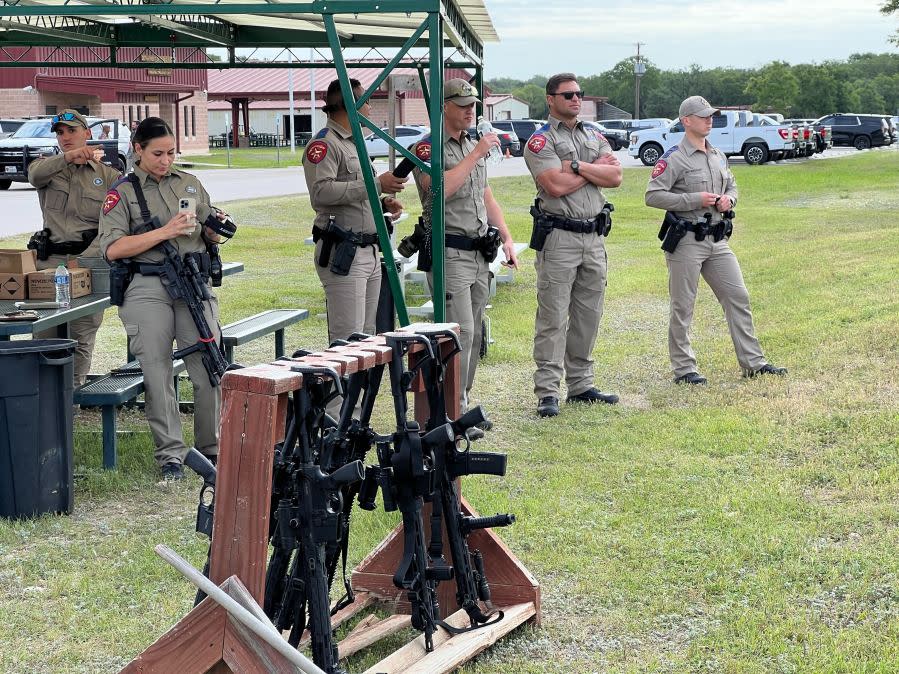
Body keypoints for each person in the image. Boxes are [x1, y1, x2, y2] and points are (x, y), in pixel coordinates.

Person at [99, 117, 234, 480]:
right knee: (157, 372)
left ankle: (212, 449)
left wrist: (215, 229)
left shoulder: (189, 183)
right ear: (138, 149)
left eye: (172, 152)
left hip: (192, 281)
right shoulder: (122, 191)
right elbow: (112, 248)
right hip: (147, 285)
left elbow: (211, 228)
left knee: (208, 368)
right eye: (157, 153)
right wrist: (165, 232)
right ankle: (172, 456)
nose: (165, 160)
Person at [644, 96, 786, 384]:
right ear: (686, 120)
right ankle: (684, 370)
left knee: (738, 297)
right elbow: (653, 196)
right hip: (686, 240)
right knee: (683, 305)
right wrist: (693, 199)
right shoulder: (673, 157)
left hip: (717, 239)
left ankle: (753, 363)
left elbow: (732, 184)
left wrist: (729, 200)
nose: (710, 119)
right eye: (703, 115)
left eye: (711, 115)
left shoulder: (717, 154)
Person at [409, 78, 519, 436]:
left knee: (474, 332)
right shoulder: (427, 148)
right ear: (444, 107)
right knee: (461, 334)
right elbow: (438, 190)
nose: (470, 109)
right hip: (448, 251)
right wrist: (474, 156)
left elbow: (484, 194)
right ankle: (450, 415)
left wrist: (505, 235)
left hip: (477, 251)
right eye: (462, 104)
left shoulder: (472, 142)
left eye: (473, 103)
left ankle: (462, 404)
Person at [524, 73, 622, 419]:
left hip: (594, 237)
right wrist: (594, 169)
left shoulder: (594, 134)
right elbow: (554, 185)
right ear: (550, 99)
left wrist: (577, 166)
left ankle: (581, 385)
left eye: (579, 94)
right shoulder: (539, 140)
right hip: (560, 238)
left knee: (587, 315)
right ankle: (547, 391)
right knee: (553, 315)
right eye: (568, 95)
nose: (576, 100)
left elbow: (616, 177)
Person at [304, 78, 406, 345]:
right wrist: (376, 184)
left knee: (366, 340)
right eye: (366, 101)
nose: (370, 108)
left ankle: (357, 389)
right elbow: (321, 193)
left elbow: (355, 192)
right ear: (351, 105)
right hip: (344, 252)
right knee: (346, 342)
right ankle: (340, 388)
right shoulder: (325, 144)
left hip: (368, 250)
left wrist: (381, 201)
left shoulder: (354, 143)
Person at [27, 109, 121, 386]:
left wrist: (86, 260)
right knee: (44, 338)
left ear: (88, 133)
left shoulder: (108, 176)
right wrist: (68, 157)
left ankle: (72, 402)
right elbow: (34, 176)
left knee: (81, 337)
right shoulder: (48, 167)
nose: (65, 137)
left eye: (72, 130)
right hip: (48, 264)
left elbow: (111, 225)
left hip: (87, 267)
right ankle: (44, 403)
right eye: (60, 133)